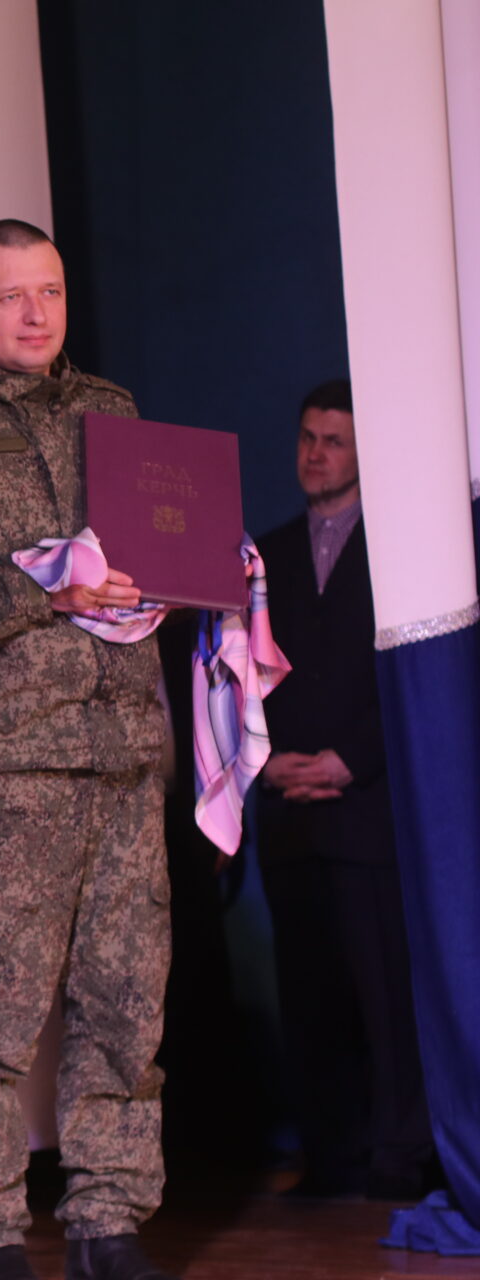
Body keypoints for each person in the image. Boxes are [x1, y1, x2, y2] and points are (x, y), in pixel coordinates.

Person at [0, 219, 173, 1280]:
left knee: (126, 1002)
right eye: (11, 295)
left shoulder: (114, 410)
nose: (36, 314)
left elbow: (157, 552)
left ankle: (109, 1217)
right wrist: (44, 586)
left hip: (127, 746)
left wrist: (211, 561)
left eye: (50, 293)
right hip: (9, 756)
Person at [255, 379, 435, 1201]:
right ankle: (330, 1161)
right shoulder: (266, 555)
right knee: (309, 996)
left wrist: (349, 761)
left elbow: (407, 679)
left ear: (364, 453)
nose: (315, 454)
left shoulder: (399, 551)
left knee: (385, 997)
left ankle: (399, 1158)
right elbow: (241, 674)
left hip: (367, 810)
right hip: (289, 812)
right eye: (308, 437)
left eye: (333, 441)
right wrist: (266, 763)